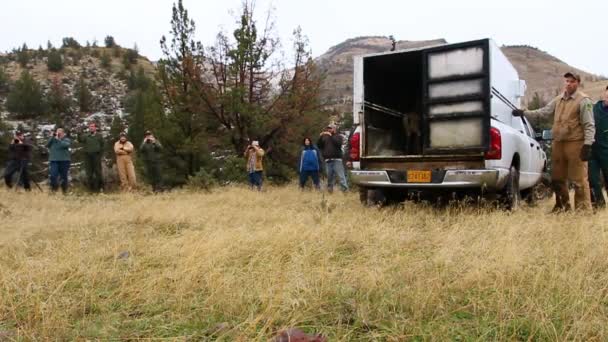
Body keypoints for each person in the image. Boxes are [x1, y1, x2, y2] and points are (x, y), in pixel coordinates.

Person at [513, 72, 595, 211]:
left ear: (577, 83)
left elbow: (589, 125)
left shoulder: (583, 101)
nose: (568, 84)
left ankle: (583, 211)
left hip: (576, 143)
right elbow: (544, 112)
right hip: (558, 143)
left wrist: (587, 144)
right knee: (558, 178)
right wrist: (524, 113)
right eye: (567, 81)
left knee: (579, 180)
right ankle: (562, 207)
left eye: (571, 81)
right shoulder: (559, 99)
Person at [588, 86, 608, 208]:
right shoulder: (594, 108)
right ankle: (599, 206)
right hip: (592, 151)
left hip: (607, 151)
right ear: (605, 93)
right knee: (592, 180)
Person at [317, 124, 348, 193]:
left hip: (337, 160)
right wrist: (320, 137)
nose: (329, 130)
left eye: (330, 128)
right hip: (328, 160)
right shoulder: (325, 137)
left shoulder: (338, 136)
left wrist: (331, 136)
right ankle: (330, 191)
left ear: (334, 129)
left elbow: (338, 143)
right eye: (328, 128)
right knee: (329, 177)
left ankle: (345, 191)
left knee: (341, 176)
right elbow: (319, 145)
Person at [78, 122, 104, 192]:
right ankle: (91, 189)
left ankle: (100, 188)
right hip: (88, 156)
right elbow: (80, 140)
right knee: (89, 173)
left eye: (92, 126)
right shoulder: (86, 136)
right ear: (89, 128)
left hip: (96, 155)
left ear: (95, 128)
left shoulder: (99, 136)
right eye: (90, 127)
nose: (91, 128)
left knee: (98, 172)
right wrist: (79, 133)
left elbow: (102, 144)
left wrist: (99, 153)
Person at [47, 128, 72, 194]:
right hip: (54, 160)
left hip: (64, 160)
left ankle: (64, 191)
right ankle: (54, 190)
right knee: (53, 175)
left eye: (60, 133)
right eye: (57, 132)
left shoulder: (66, 139)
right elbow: (47, 145)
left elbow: (65, 145)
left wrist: (58, 139)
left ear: (63, 134)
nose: (58, 134)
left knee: (63, 177)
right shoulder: (53, 139)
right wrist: (52, 137)